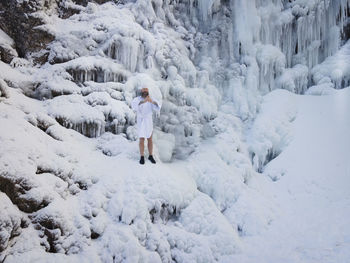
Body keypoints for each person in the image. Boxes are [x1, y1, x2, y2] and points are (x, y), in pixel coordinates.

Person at [131, 87, 161, 165]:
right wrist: (144, 101)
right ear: (141, 91)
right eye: (143, 91)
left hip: (148, 121)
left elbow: (157, 107)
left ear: (148, 92)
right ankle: (142, 156)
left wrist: (153, 102)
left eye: (146, 91)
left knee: (150, 138)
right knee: (141, 139)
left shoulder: (151, 99)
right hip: (141, 121)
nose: (145, 92)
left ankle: (150, 155)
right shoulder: (137, 99)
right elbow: (134, 107)